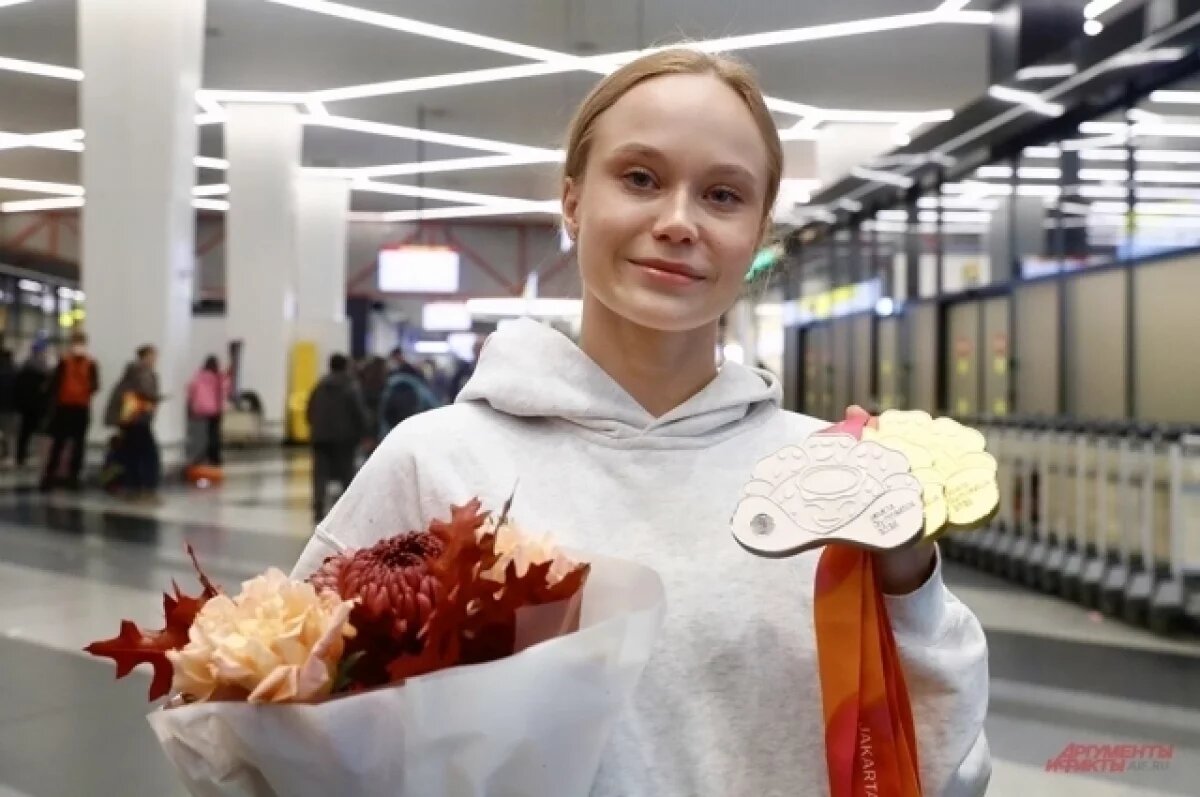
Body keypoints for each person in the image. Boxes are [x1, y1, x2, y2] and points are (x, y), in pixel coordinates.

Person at [291, 50, 988, 797]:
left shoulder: (824, 479)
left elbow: (945, 764)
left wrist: (905, 577)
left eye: (722, 195)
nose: (678, 222)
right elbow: (281, 708)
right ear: (572, 201)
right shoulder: (437, 461)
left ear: (759, 233)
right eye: (640, 179)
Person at [306, 353, 369, 522]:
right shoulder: (351, 386)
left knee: (319, 475)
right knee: (346, 474)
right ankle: (347, 510)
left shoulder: (320, 385)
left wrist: (315, 427)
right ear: (346, 366)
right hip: (344, 439)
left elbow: (310, 410)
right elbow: (358, 411)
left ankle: (318, 507)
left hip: (320, 437)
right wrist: (364, 432)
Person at [104, 345, 164, 501]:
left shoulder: (133, 373)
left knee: (132, 454)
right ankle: (146, 488)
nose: (154, 360)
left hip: (131, 419)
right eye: (152, 356)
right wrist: (155, 399)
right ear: (144, 357)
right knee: (149, 454)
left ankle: (133, 487)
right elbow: (146, 393)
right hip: (137, 419)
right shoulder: (142, 373)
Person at [41, 331, 99, 491]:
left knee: (63, 443)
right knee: (72, 443)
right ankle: (69, 476)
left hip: (69, 407)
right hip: (75, 407)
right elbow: (95, 386)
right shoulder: (87, 363)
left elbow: (53, 384)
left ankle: (53, 475)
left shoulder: (66, 361)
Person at [13, 343, 51, 469]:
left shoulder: (24, 368)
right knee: (35, 432)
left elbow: (17, 389)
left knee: (24, 432)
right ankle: (30, 456)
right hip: (37, 407)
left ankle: (21, 456)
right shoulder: (44, 371)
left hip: (25, 407)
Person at [186, 355, 227, 467]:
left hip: (200, 410)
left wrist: (191, 405)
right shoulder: (218, 377)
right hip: (215, 410)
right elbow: (225, 390)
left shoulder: (198, 376)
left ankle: (200, 457)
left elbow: (190, 390)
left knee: (200, 435)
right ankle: (214, 458)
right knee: (214, 434)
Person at [0, 345, 17, 467]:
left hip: (4, 405)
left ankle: (5, 454)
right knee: (7, 432)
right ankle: (7, 455)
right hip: (9, 407)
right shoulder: (14, 371)